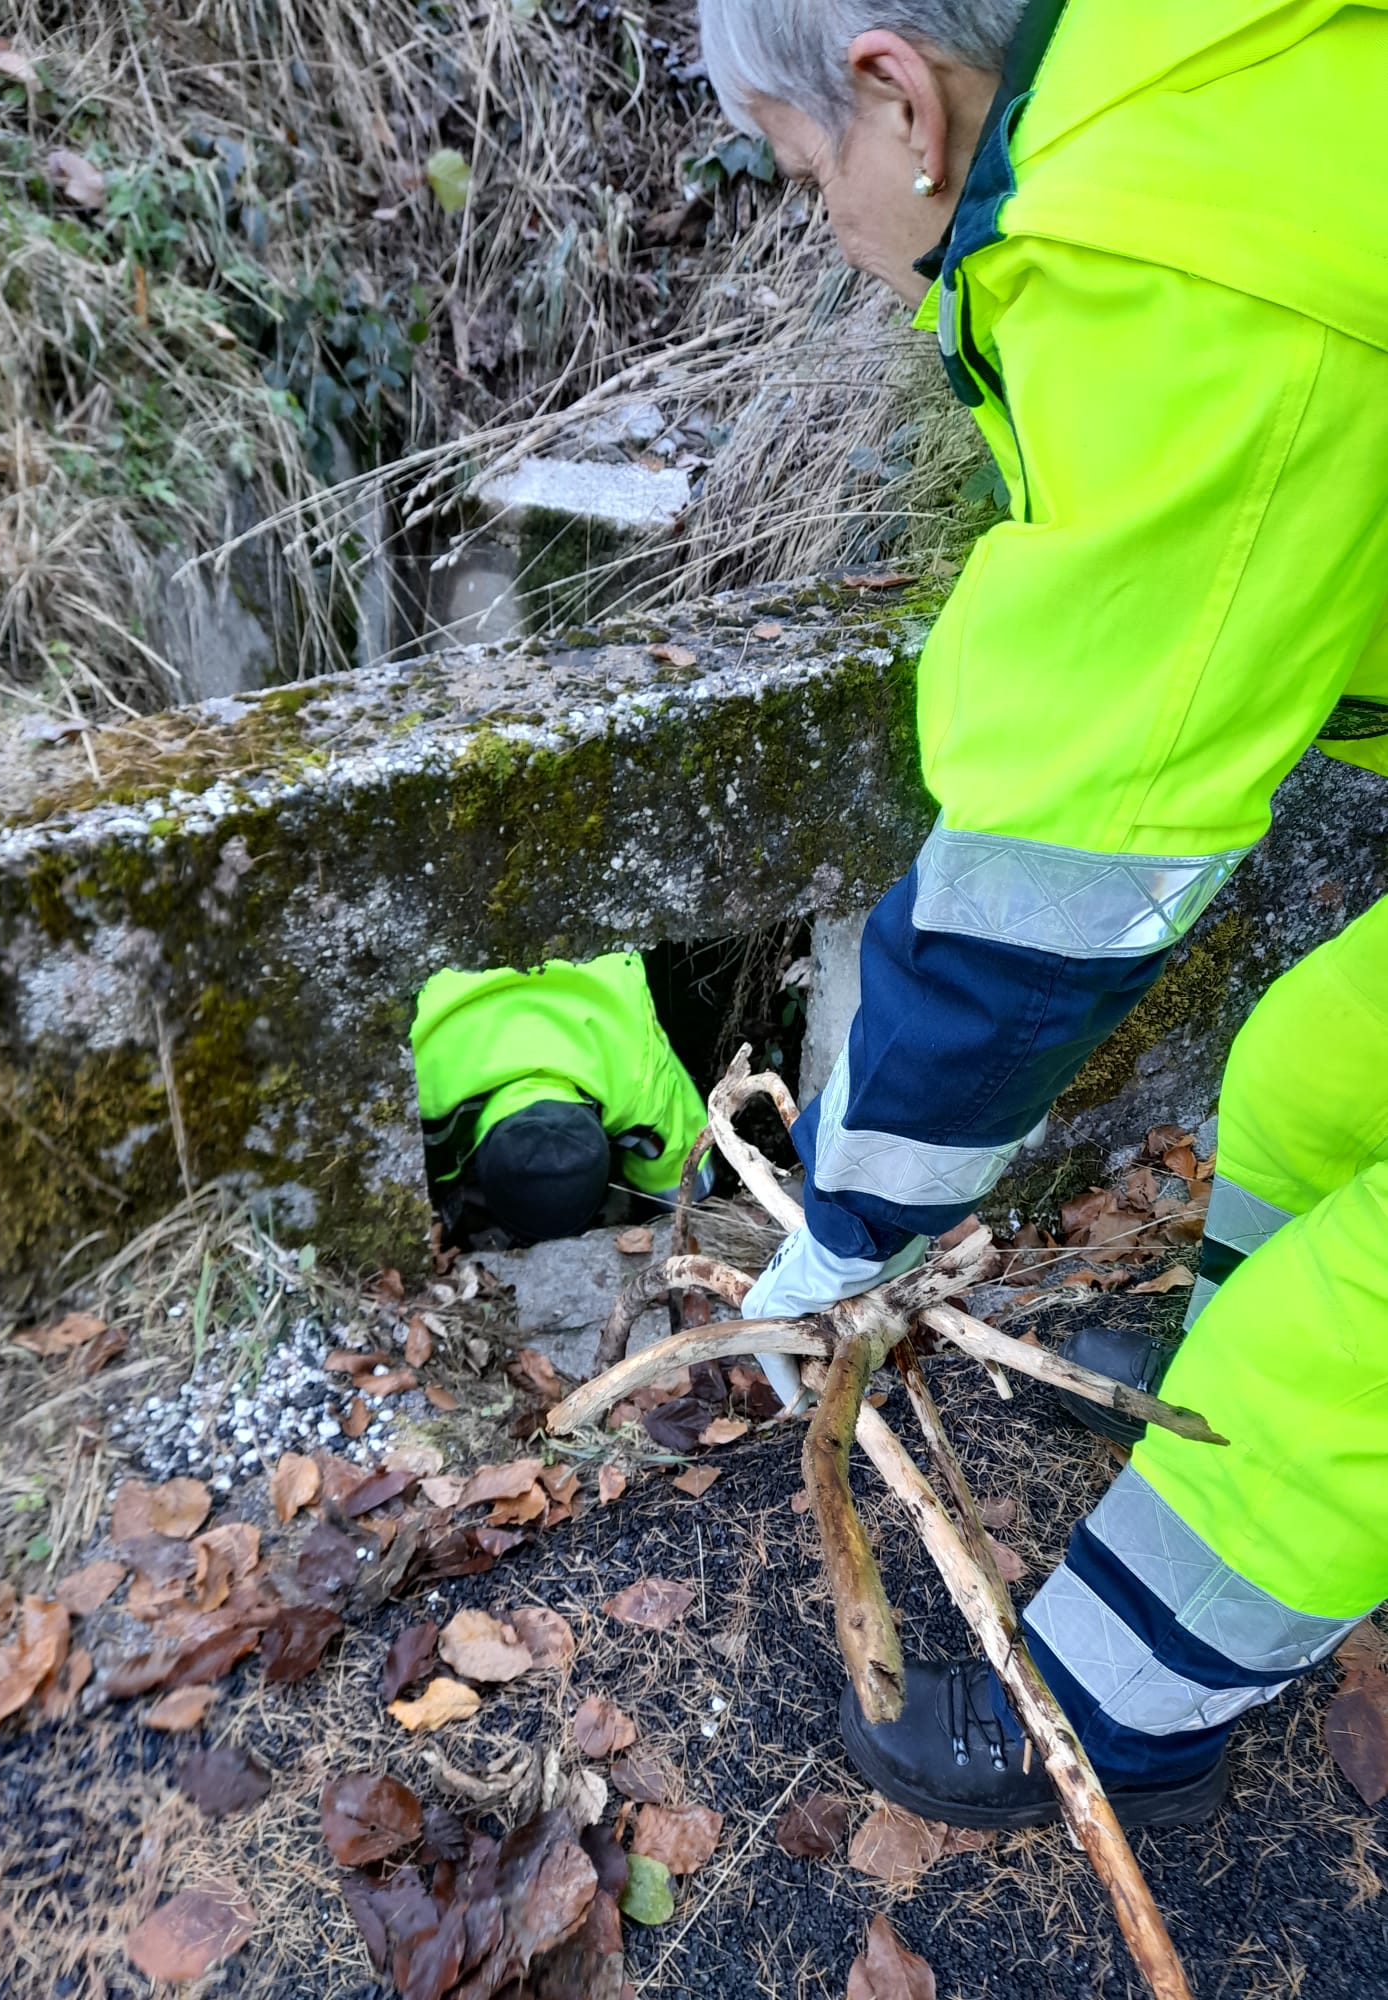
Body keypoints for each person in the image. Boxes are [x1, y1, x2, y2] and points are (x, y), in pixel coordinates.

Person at [696, 0, 1388, 1827]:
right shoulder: (1181, 100)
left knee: (1360, 1336)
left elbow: (1062, 863)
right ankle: (1208, 1399)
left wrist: (853, 1218)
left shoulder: (1183, 263)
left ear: (896, 96)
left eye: (805, 171)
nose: (827, 224)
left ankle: (1122, 1706)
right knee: (1319, 1073)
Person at [410, 953, 713, 1244]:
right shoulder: (421, 1079)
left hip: (596, 965)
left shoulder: (638, 1079)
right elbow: (677, 1158)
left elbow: (681, 1167)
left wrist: (697, 1220)